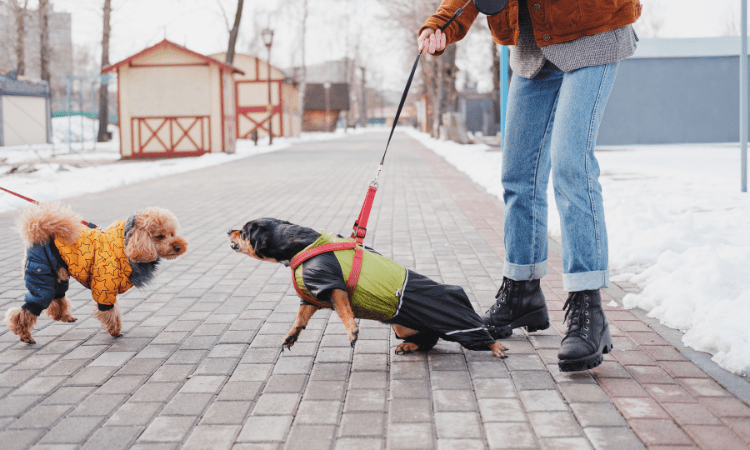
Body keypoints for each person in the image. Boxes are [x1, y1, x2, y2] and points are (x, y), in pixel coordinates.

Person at [418, 0, 641, 372]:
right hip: (531, 44)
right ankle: (522, 291)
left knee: (572, 163)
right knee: (518, 174)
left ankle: (588, 308)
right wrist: (442, 24)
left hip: (591, 27)